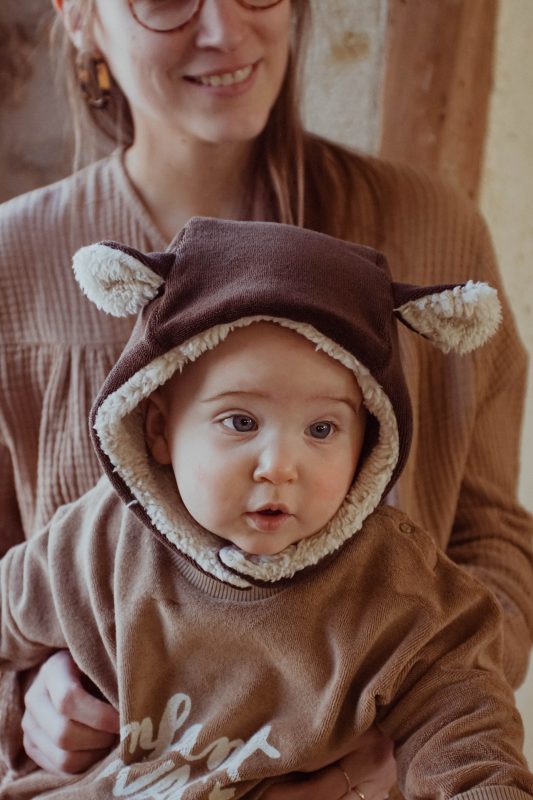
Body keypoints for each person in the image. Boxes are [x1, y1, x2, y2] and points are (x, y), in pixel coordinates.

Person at [0, 1, 531, 798]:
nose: (223, 30)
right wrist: (24, 705)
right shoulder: (14, 262)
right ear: (79, 14)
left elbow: (490, 539)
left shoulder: (432, 234)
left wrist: (407, 720)